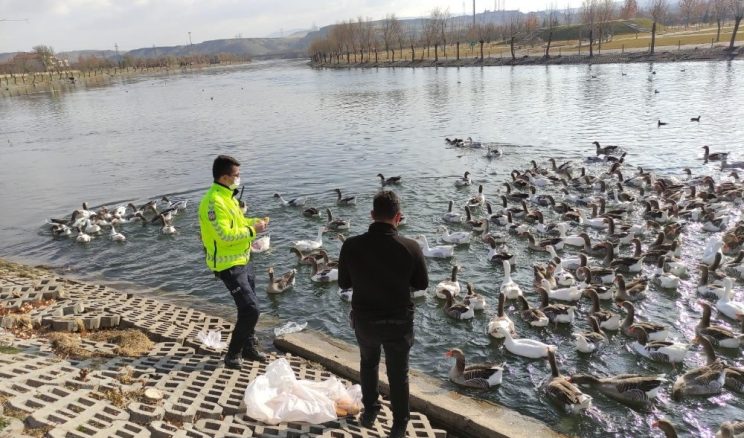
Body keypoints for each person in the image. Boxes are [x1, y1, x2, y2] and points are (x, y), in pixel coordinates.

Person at [338, 190, 428, 438]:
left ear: (371, 215)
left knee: (368, 364)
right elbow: (421, 284)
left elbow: (343, 283)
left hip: (365, 320)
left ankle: (370, 411)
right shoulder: (411, 246)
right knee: (398, 373)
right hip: (398, 322)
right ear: (398, 217)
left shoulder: (351, 245)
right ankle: (399, 424)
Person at [198, 155, 269, 369]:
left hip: (243, 258)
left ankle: (248, 346)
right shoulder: (213, 202)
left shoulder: (228, 197)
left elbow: (237, 223)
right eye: (236, 175)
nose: (240, 178)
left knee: (247, 307)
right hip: (227, 264)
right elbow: (225, 236)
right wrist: (252, 231)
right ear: (225, 177)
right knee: (251, 309)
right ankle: (232, 354)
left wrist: (253, 222)